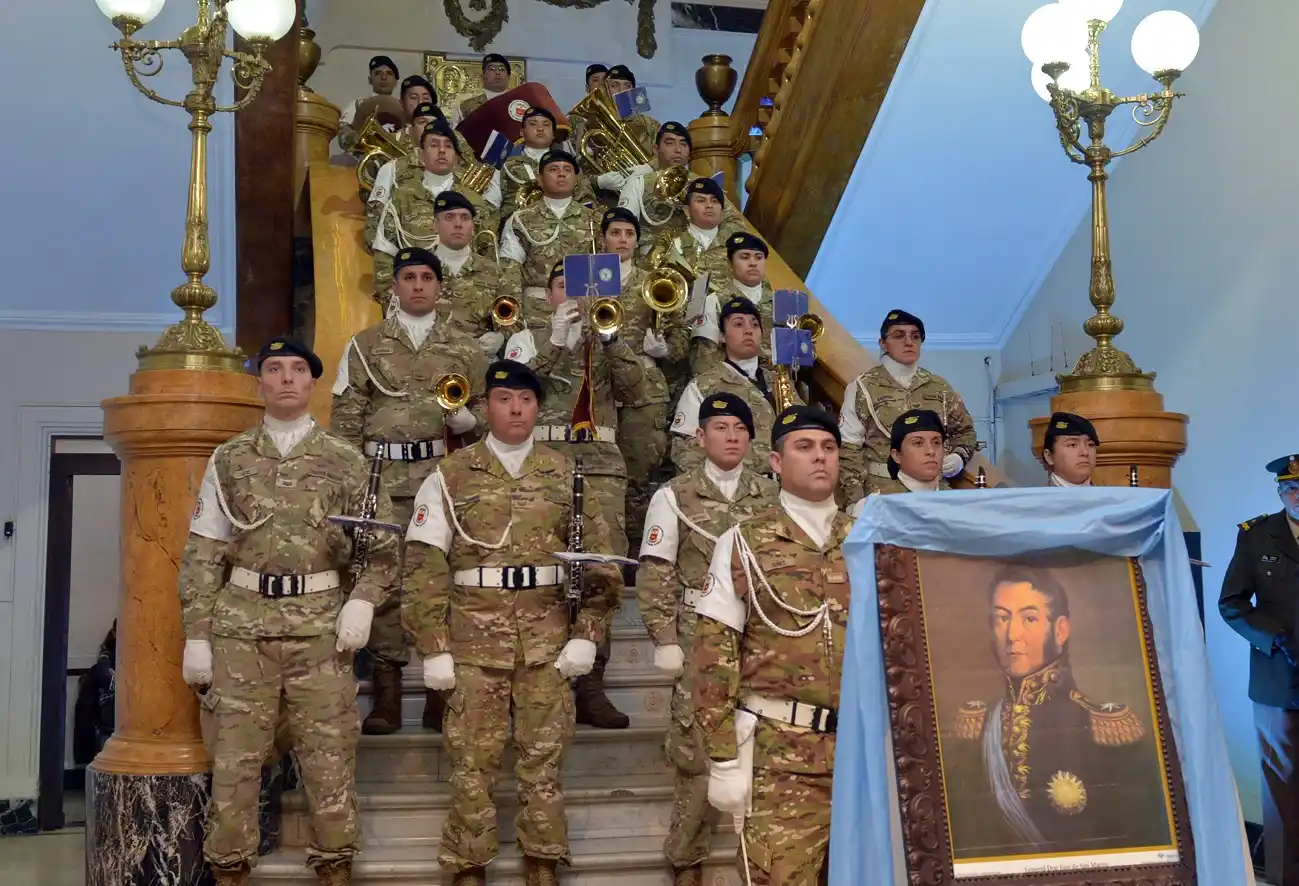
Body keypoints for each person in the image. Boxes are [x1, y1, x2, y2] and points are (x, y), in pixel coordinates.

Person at [179, 337, 400, 886]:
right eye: (274, 369)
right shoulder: (230, 458)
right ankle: (229, 869)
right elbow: (205, 550)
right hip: (241, 629)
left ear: (311, 382)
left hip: (321, 628)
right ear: (260, 380)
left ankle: (335, 866)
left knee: (329, 758)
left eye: (297, 369)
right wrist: (197, 634)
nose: (285, 379)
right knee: (234, 763)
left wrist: (363, 602)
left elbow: (383, 550)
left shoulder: (348, 461)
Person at [402, 360, 624, 886]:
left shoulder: (565, 475)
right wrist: (432, 646)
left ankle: (543, 857)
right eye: (504, 399)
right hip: (474, 639)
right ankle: (469, 860)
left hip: (546, 639)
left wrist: (587, 636)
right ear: (485, 408)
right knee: (471, 759)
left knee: (543, 757)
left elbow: (601, 566)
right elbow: (424, 567)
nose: (516, 407)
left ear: (537, 407)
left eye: (526, 399)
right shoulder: (449, 476)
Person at [331, 247, 490, 735]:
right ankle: (387, 692)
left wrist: (471, 421)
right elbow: (346, 418)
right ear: (394, 287)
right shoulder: (365, 345)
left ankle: (441, 692)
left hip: (443, 481)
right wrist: (352, 483)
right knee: (384, 585)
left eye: (427, 277)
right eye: (409, 277)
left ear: (440, 287)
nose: (418, 285)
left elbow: (489, 412)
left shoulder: (466, 348)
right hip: (383, 482)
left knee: (443, 583)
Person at [693, 405, 851, 886]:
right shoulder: (743, 543)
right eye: (804, 447)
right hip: (781, 760)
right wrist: (722, 758)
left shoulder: (867, 540)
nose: (820, 458)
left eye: (828, 448)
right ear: (777, 463)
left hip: (863, 754)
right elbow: (712, 657)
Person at [502, 259, 649, 728]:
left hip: (601, 464)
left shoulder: (609, 334)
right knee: (539, 563)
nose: (573, 294)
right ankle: (533, 678)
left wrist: (610, 338)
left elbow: (635, 388)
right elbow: (514, 394)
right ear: (547, 295)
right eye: (563, 285)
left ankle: (591, 682)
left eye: (581, 286)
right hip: (543, 460)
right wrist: (556, 341)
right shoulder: (527, 338)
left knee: (602, 571)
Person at [637, 393, 777, 886]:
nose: (732, 436)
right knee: (697, 754)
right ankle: (686, 859)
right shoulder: (675, 495)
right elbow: (656, 572)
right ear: (699, 437)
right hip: (701, 637)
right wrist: (663, 636)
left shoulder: (771, 494)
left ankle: (759, 858)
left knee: (763, 749)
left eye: (740, 428)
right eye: (720, 427)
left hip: (760, 637)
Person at [947, 565, 1166, 858]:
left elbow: (1139, 844)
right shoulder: (976, 727)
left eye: (1029, 618)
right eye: (1002, 618)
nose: (1012, 634)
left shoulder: (1106, 729)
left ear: (1060, 630)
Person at [1219, 453, 1299, 886]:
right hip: (1277, 681)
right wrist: (1273, 637)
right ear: (1280, 492)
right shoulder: (1257, 537)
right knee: (1282, 793)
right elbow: (1230, 603)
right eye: (1291, 489)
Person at [603, 207, 690, 544]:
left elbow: (680, 340)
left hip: (644, 390)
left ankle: (635, 560)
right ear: (603, 238)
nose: (622, 240)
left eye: (629, 234)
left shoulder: (654, 282)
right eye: (615, 233)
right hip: (597, 386)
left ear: (637, 241)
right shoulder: (588, 278)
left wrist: (664, 350)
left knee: (637, 478)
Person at [837, 309, 977, 508]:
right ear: (883, 343)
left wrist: (959, 456)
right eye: (899, 335)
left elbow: (965, 431)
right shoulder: (863, 388)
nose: (909, 342)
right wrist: (855, 502)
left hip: (935, 492)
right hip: (883, 493)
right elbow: (849, 447)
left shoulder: (939, 387)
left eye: (915, 336)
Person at [373, 118, 504, 301]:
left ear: (457, 158)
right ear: (421, 155)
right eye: (434, 145)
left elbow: (488, 253)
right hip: (414, 298)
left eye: (449, 146)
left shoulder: (475, 202)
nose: (442, 151)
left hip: (466, 301)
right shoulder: (402, 198)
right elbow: (384, 251)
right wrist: (390, 297)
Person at [672, 297, 797, 476]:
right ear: (722, 336)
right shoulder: (703, 386)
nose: (748, 331)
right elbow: (685, 453)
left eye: (754, 325)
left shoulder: (779, 381)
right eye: (738, 324)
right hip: (737, 492)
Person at [498, 150, 599, 315]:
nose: (561, 174)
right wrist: (512, 318)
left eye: (567, 169)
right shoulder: (522, 219)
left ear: (576, 179)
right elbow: (510, 270)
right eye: (553, 169)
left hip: (583, 313)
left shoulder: (595, 219)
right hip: (536, 313)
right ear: (539, 180)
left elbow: (605, 269)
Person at [429, 192, 513, 351]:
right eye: (449, 217)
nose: (458, 224)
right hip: (428, 360)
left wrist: (502, 336)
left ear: (473, 227)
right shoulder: (419, 270)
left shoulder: (492, 272)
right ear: (434, 225)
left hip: (477, 359)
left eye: (465, 218)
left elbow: (513, 319)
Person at [690, 232, 774, 375]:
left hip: (776, 386)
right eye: (745, 257)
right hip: (729, 384)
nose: (753, 263)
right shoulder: (713, 301)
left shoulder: (780, 303)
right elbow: (704, 359)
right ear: (730, 263)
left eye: (759, 257)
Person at [366, 101, 444, 250]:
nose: (429, 127)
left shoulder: (456, 172)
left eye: (434, 123)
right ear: (411, 130)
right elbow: (373, 221)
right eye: (422, 122)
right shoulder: (391, 168)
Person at [501, 106, 593, 217]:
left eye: (546, 125)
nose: (540, 128)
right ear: (522, 132)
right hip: (517, 229)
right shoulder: (505, 166)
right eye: (533, 124)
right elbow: (491, 205)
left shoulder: (568, 166)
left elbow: (588, 204)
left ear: (553, 134)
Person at [862, 408, 951, 498]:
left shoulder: (956, 501)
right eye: (918, 443)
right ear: (896, 455)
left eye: (936, 443)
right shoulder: (879, 504)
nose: (931, 451)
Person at [338, 55, 399, 152]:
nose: (384, 77)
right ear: (370, 80)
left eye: (389, 73)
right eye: (378, 73)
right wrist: (357, 138)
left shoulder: (403, 107)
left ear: (396, 81)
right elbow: (343, 137)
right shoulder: (358, 104)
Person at [604, 64, 660, 156]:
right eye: (614, 85)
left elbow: (662, 157)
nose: (621, 90)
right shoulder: (596, 123)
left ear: (633, 91)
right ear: (605, 91)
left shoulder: (651, 125)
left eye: (627, 85)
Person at [450, 52, 511, 125]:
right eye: (492, 69)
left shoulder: (519, 103)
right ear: (482, 76)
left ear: (508, 76)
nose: (497, 72)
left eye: (501, 69)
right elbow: (455, 134)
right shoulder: (466, 107)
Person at [1042, 411, 1099, 487]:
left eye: (1090, 444)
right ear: (1049, 456)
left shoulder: (1109, 498)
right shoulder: (1038, 499)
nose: (1085, 452)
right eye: (1072, 445)